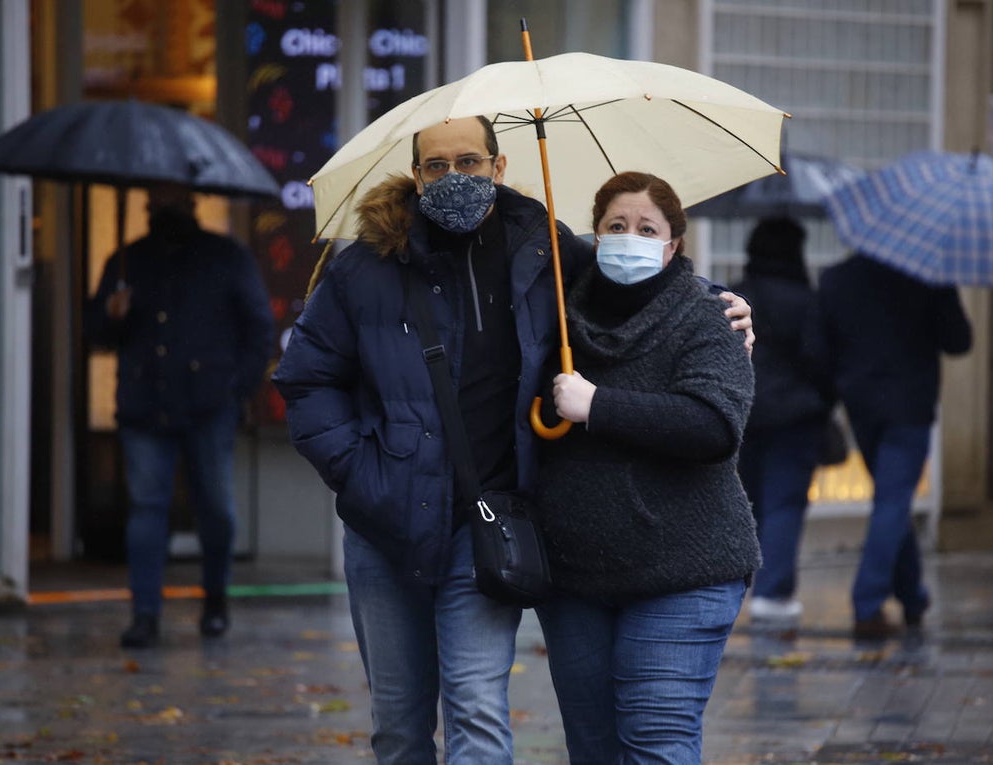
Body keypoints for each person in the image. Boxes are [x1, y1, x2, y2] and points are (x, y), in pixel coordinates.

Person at [271, 117, 753, 764]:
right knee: (399, 726)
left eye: (468, 162)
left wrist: (721, 302)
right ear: (416, 176)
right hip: (384, 523)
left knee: (477, 713)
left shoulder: (541, 249)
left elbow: (634, 290)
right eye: (435, 166)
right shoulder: (363, 268)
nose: (452, 178)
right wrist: (360, 471)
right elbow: (306, 378)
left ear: (499, 168)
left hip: (486, 523)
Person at [533, 171, 761, 764]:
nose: (629, 237)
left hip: (687, 570)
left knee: (657, 740)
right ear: (596, 234)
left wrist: (598, 406)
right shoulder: (555, 314)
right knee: (594, 749)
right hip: (576, 576)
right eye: (616, 226)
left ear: (673, 245)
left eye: (646, 228)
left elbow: (712, 425)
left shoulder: (710, 316)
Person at [85, 183, 275, 649]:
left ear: (191, 203)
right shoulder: (127, 261)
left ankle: (215, 601)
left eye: (171, 201)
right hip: (145, 403)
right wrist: (112, 313)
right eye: (156, 201)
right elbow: (95, 332)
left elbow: (259, 327)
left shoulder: (226, 256)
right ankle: (145, 612)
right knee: (148, 509)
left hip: (209, 404)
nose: (162, 208)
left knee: (214, 508)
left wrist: (238, 391)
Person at [817, 253, 971, 640]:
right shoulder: (927, 272)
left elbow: (821, 347)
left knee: (892, 499)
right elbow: (959, 340)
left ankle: (913, 596)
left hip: (862, 404)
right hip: (910, 405)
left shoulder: (838, 278)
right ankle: (867, 603)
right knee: (893, 500)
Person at [734, 217, 835, 628]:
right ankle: (773, 593)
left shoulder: (738, 294)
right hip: (795, 417)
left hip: (745, 415)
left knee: (751, 501)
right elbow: (821, 362)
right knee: (785, 503)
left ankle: (745, 584)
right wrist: (823, 401)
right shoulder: (805, 299)